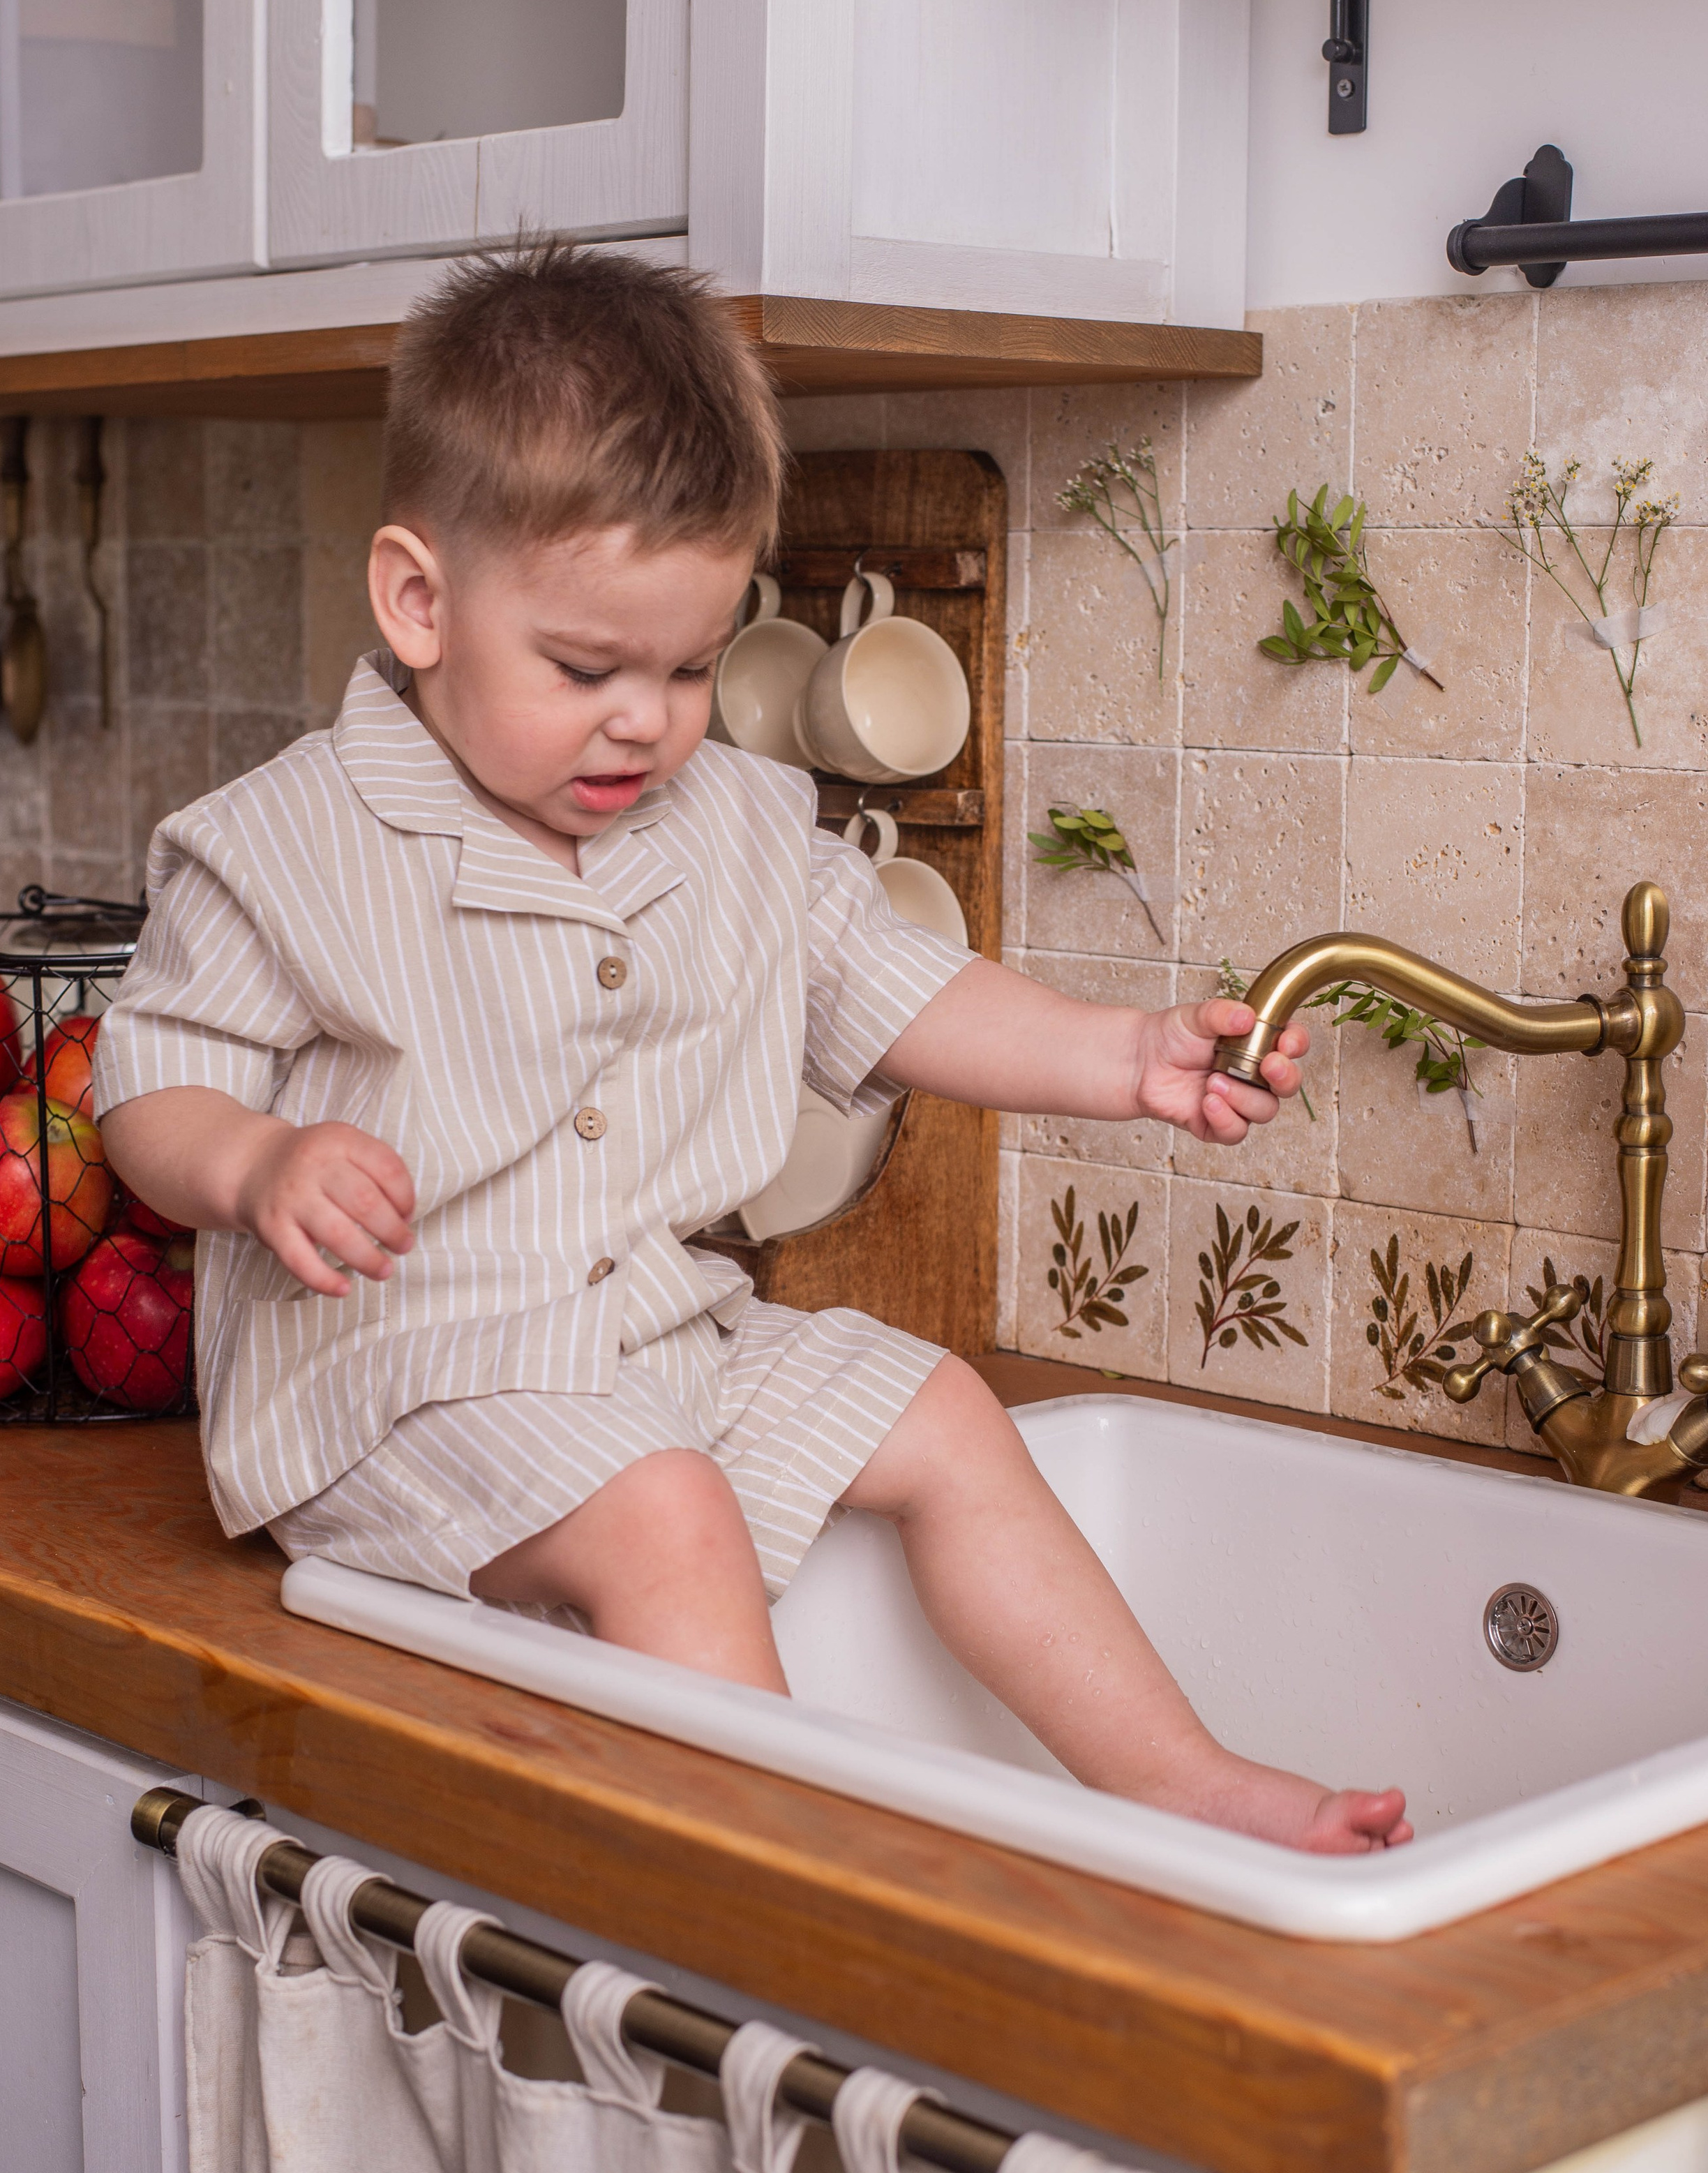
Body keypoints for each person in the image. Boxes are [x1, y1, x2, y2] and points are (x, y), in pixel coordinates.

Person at [95, 243, 1409, 1857]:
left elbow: (893, 986)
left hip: (659, 1336)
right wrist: (255, 1158)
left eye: (694, 663)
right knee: (666, 1510)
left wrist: (1121, 1053)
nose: (647, 719)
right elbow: (148, 1080)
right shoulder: (283, 840)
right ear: (417, 600)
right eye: (585, 669)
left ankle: (1184, 1781)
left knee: (941, 1409)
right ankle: (795, 1884)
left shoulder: (730, 821)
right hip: (398, 1376)